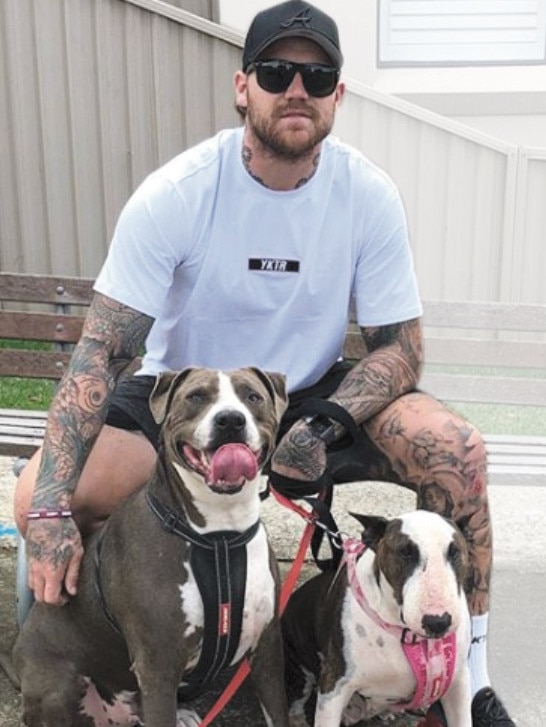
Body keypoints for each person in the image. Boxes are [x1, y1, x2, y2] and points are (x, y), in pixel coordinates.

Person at [14, 2, 514, 725]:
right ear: (243, 86)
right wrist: (58, 506)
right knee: (37, 499)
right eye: (277, 71)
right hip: (183, 395)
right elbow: (104, 351)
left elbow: (400, 346)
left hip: (307, 394)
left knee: (457, 451)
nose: (297, 89)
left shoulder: (367, 195)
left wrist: (326, 423)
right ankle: (76, 657)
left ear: (339, 94)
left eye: (318, 75)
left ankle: (468, 672)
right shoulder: (178, 193)